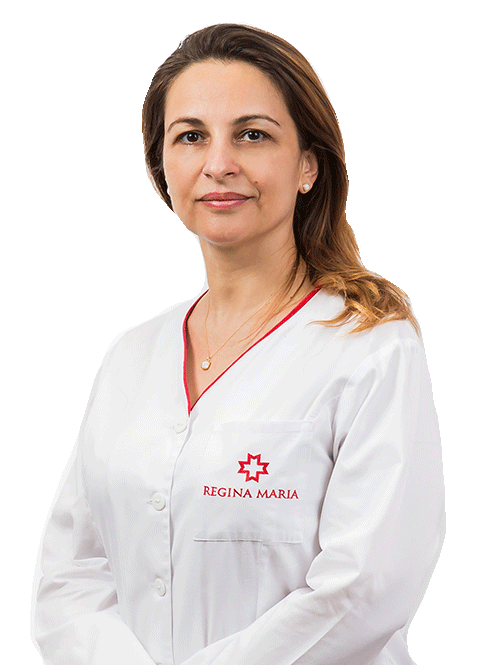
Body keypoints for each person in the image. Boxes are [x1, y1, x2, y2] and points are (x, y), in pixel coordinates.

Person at [31, 22, 445, 665]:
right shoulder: (131, 356)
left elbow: (366, 588)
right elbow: (71, 574)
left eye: (252, 134)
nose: (218, 163)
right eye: (190, 136)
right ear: (161, 168)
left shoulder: (370, 343)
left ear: (309, 164)